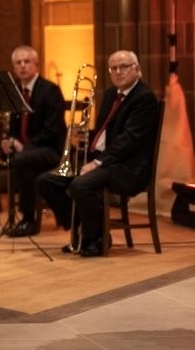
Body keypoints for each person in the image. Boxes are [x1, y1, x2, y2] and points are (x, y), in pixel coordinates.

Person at [37, 51, 158, 256]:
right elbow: (106, 131)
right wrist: (86, 136)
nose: (118, 71)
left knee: (80, 185)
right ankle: (80, 231)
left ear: (137, 69)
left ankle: (97, 238)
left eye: (124, 66)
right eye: (113, 68)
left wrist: (98, 162)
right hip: (107, 160)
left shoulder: (144, 98)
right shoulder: (111, 94)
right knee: (46, 182)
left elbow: (129, 140)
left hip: (128, 167)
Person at [0, 45, 66, 234]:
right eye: (18, 63)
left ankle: (28, 219)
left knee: (22, 159)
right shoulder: (13, 90)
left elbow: (53, 131)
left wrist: (24, 145)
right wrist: (8, 139)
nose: (22, 66)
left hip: (49, 149)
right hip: (22, 147)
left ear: (36, 64)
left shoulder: (50, 90)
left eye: (27, 61)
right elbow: (11, 125)